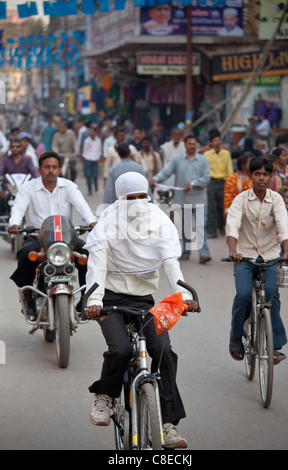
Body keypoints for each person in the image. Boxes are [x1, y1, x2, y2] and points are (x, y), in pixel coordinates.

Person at [84, 171, 199, 449]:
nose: (136, 203)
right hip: (108, 298)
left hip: (144, 300)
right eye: (129, 198)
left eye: (141, 197)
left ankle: (168, 425)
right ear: (119, 198)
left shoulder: (159, 221)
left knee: (163, 350)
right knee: (121, 349)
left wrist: (184, 296)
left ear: (148, 196)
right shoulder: (107, 224)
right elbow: (97, 266)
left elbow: (171, 263)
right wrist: (94, 301)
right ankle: (105, 396)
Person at [8, 151, 97, 314]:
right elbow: (19, 207)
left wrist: (91, 221)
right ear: (39, 169)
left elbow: (82, 206)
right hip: (38, 239)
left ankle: (86, 295)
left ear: (59, 169)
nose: (51, 170)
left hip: (66, 239)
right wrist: (14, 223)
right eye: (47, 167)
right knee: (26, 254)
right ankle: (27, 294)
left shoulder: (69, 186)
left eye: (54, 167)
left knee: (88, 253)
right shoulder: (28, 188)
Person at [226, 156, 288, 363]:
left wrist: (287, 251)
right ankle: (236, 336)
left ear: (270, 176)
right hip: (244, 257)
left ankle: (275, 345)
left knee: (272, 294)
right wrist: (233, 250)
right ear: (251, 176)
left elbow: (283, 226)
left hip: (271, 256)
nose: (261, 178)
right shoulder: (241, 200)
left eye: (265, 174)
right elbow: (233, 226)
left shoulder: (277, 199)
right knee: (244, 295)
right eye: (257, 174)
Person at [152, 135, 211, 264]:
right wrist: (155, 179)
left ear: (197, 146)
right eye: (190, 144)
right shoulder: (177, 159)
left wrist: (193, 184)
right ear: (185, 145)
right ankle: (185, 252)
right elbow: (166, 171)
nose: (192, 146)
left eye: (194, 144)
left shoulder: (203, 160)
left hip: (200, 199)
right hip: (183, 199)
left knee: (200, 227)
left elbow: (206, 178)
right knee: (186, 227)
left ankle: (204, 253)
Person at [204, 129, 233, 238]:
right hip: (211, 182)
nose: (218, 142)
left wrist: (230, 182)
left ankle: (222, 228)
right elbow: (205, 170)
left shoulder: (226, 154)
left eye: (219, 140)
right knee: (211, 208)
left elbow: (229, 169)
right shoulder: (206, 154)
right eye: (215, 140)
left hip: (223, 182)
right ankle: (213, 231)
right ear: (211, 142)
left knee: (223, 207)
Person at [223, 152, 253, 218]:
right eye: (249, 162)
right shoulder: (232, 179)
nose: (252, 164)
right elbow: (228, 197)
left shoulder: (255, 177)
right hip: (235, 212)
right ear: (242, 165)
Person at [82, 123, 102, 196]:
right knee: (88, 175)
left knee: (95, 175)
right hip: (88, 159)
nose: (91, 133)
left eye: (92, 131)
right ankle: (90, 190)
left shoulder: (98, 140)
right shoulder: (86, 141)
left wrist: (99, 158)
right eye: (89, 131)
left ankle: (96, 184)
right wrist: (84, 162)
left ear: (95, 132)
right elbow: (84, 151)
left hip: (95, 159)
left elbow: (99, 150)